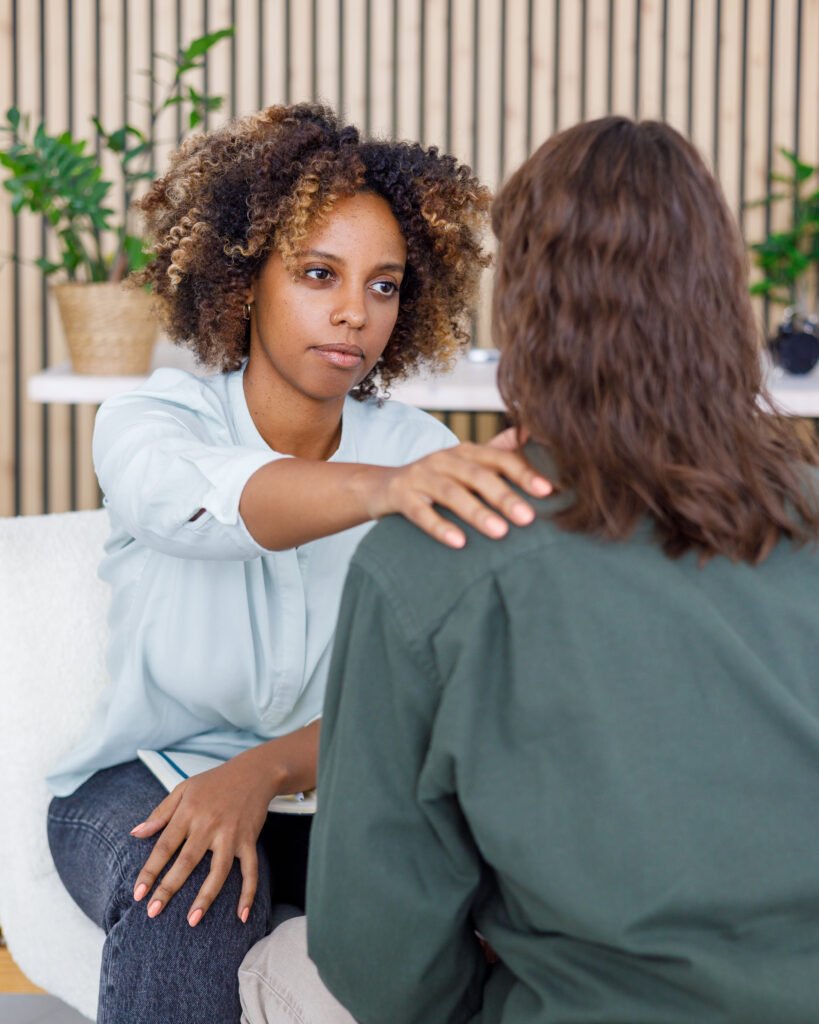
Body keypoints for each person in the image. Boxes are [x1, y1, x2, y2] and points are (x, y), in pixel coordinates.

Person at [242, 116, 819, 1023]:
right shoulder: (807, 509)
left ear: (525, 303)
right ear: (718, 288)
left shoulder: (431, 552)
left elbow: (377, 948)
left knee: (274, 966)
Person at [45, 102, 552, 1024]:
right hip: (148, 781)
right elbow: (206, 502)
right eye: (319, 274)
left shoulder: (417, 447)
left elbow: (448, 690)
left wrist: (269, 770)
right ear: (242, 281)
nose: (354, 312)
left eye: (385, 286)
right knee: (188, 896)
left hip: (346, 804)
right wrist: (387, 490)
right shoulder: (152, 422)